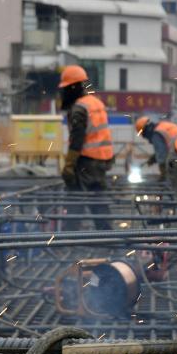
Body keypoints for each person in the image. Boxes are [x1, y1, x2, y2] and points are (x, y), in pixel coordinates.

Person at [58, 65, 114, 230]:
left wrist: (68, 165)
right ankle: (108, 239)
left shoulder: (79, 108)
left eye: (66, 89)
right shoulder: (96, 102)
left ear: (73, 87)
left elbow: (77, 139)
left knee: (75, 199)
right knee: (99, 202)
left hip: (86, 162)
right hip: (102, 161)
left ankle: (70, 239)